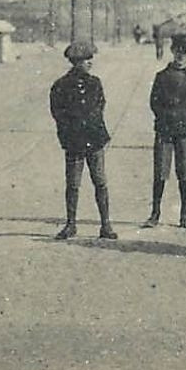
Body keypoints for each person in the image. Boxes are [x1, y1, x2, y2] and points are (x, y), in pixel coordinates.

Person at [48, 41, 117, 241]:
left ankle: (105, 225)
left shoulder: (95, 83)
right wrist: (70, 131)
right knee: (73, 184)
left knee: (100, 182)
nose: (90, 63)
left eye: (91, 59)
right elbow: (57, 113)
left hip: (95, 140)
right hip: (74, 142)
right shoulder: (61, 85)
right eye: (87, 60)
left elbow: (100, 105)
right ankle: (71, 225)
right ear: (76, 62)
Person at [145, 34, 186, 229]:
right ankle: (155, 214)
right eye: (178, 51)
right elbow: (153, 102)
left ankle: (184, 215)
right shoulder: (161, 77)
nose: (181, 56)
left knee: (184, 173)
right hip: (165, 131)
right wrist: (165, 117)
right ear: (172, 52)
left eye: (185, 52)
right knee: (161, 172)